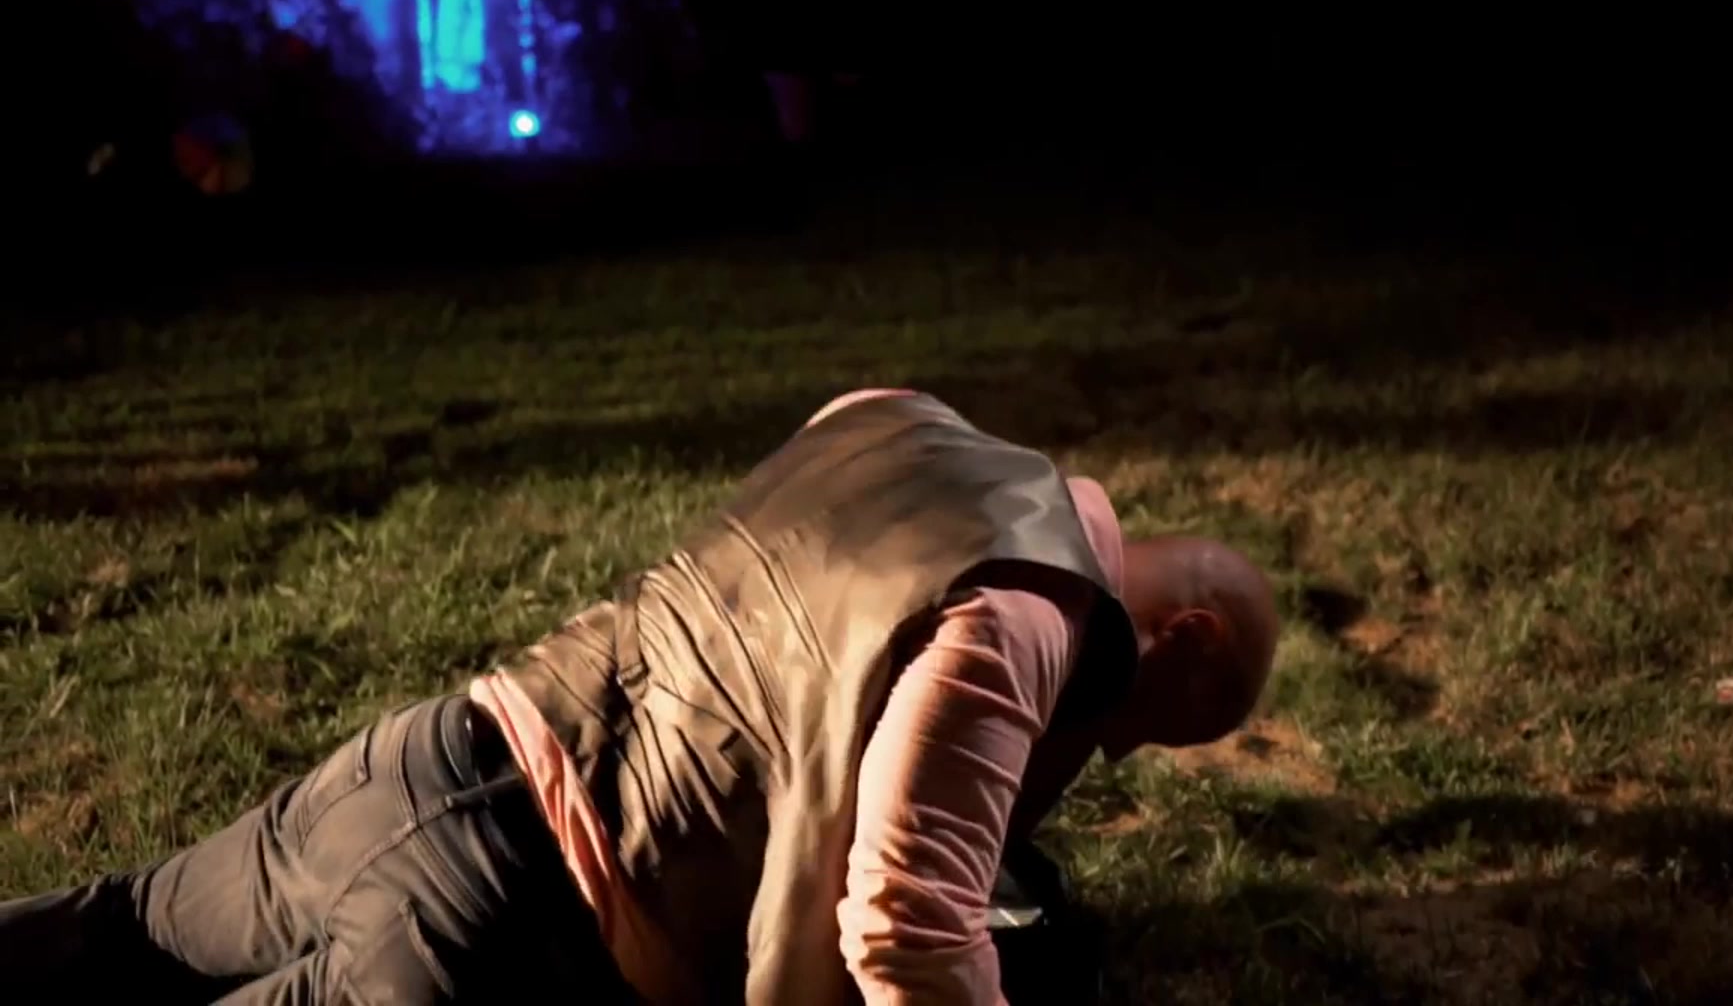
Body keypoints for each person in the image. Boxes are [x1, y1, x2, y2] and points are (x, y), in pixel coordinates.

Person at [0, 389, 1279, 1004]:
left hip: (428, 758)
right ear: (1183, 635)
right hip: (507, 933)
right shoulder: (1026, 621)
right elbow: (912, 928)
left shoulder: (906, 418)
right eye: (1155, 727)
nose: (1114, 752)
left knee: (117, 931)